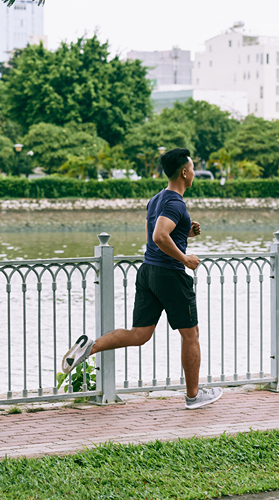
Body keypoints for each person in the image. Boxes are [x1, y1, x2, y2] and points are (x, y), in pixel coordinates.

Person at [60, 148, 222, 409]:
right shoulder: (176, 202)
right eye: (192, 168)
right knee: (191, 335)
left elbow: (155, 237)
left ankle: (90, 348)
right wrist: (185, 258)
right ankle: (193, 396)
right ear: (184, 172)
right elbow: (159, 237)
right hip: (170, 274)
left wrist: (184, 233)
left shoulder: (157, 199)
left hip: (148, 272)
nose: (193, 172)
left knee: (139, 334)